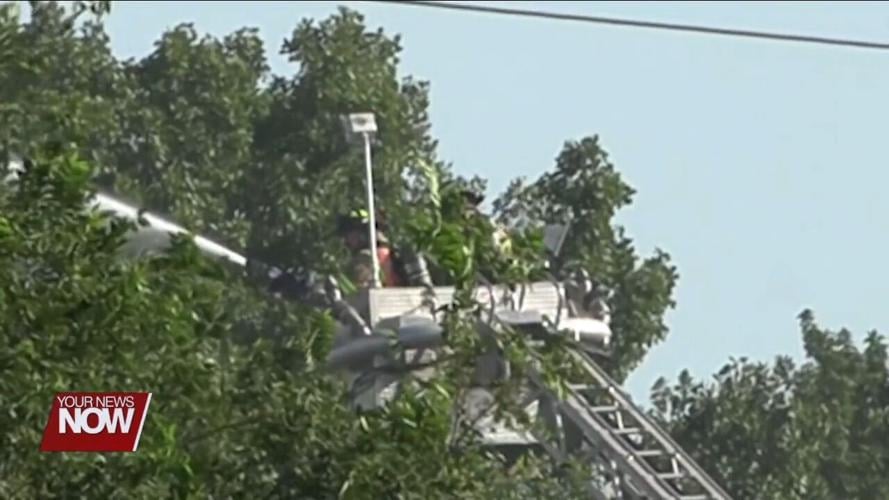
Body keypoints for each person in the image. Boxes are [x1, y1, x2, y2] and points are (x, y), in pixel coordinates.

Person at [336, 209, 402, 288]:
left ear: (361, 233)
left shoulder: (365, 257)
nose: (346, 241)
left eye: (348, 235)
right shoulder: (388, 252)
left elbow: (362, 288)